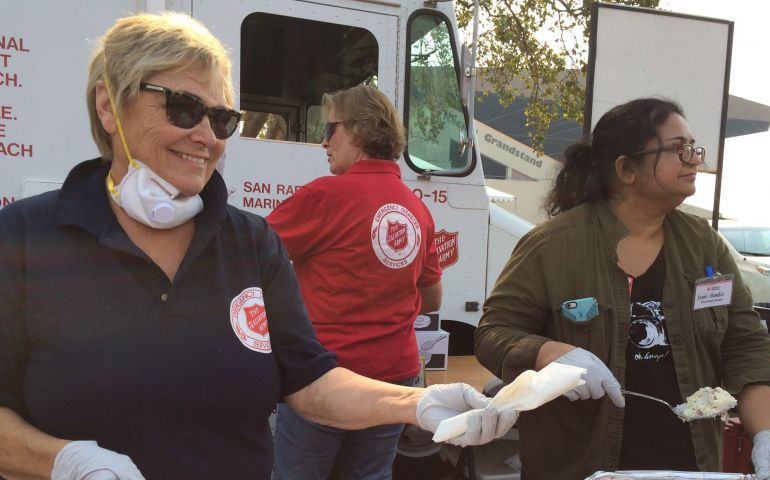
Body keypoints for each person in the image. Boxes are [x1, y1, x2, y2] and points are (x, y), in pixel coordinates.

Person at [0, 12, 518, 480]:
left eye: (222, 118)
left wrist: (419, 402)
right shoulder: (24, 239)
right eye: (183, 108)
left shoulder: (251, 242)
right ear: (109, 106)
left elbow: (310, 384)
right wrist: (61, 460)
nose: (206, 135)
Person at [474, 98, 770, 480]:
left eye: (694, 147)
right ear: (626, 168)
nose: (694, 158)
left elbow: (745, 345)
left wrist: (764, 433)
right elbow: (492, 333)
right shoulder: (552, 246)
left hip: (688, 465)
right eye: (678, 148)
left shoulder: (704, 245)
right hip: (577, 465)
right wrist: (550, 352)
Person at [266, 84, 443, 479]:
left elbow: (250, 260)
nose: (323, 141)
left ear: (360, 132)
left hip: (326, 375)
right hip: (395, 376)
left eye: (330, 129)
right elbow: (431, 299)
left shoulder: (326, 196)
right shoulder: (418, 209)